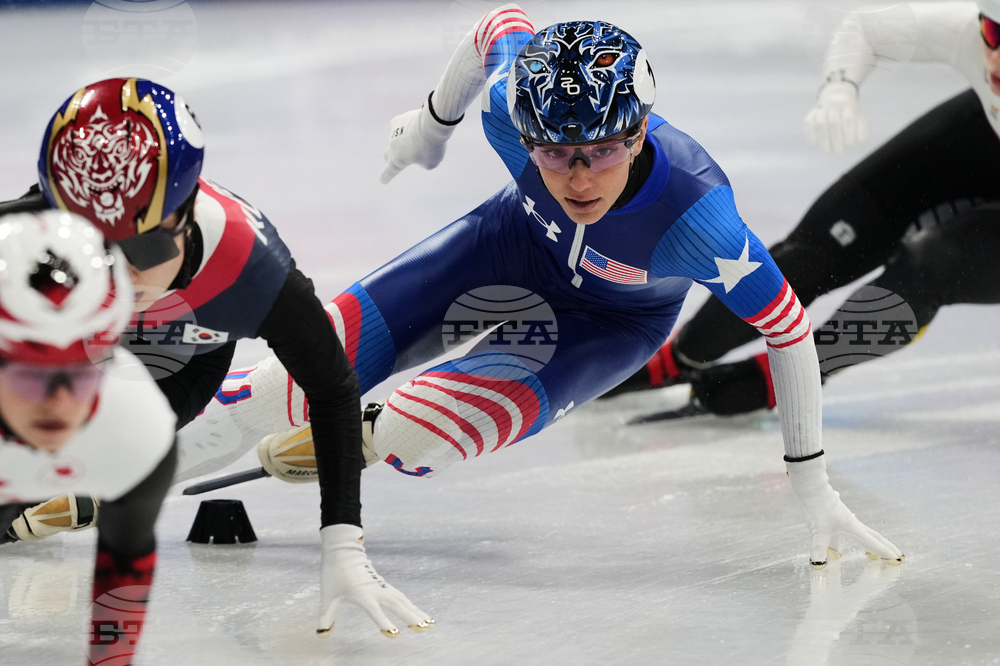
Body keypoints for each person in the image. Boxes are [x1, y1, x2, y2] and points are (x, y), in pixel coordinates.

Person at [175, 4, 904, 572]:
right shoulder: (506, 102)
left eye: (603, 152)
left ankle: (364, 435)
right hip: (506, 248)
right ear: (526, 132)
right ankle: (125, 469)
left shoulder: (700, 221)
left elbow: (787, 330)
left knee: (412, 437)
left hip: (608, 324)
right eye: (554, 153)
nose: (579, 177)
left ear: (641, 129)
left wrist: (813, 486)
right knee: (280, 388)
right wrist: (433, 124)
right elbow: (496, 26)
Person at [0, 78, 430, 638]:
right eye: (95, 244)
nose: (118, 270)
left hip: (173, 361)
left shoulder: (251, 269)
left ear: (185, 212)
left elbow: (331, 389)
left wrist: (342, 543)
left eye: (143, 246)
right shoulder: (35, 226)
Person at [603, 0, 1000, 417]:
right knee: (814, 252)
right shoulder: (968, 37)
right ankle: (679, 356)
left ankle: (788, 376)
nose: (994, 56)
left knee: (930, 264)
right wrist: (839, 90)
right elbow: (866, 30)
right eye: (991, 33)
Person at [0, 210, 176, 665]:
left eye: (80, 374)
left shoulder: (140, 433)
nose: (58, 404)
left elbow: (125, 561)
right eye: (29, 377)